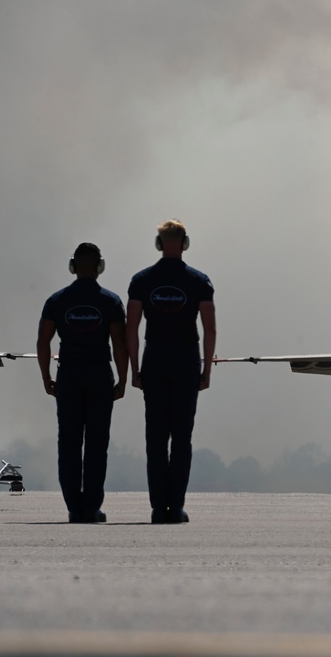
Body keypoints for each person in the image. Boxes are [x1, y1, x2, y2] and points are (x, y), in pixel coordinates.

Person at [126, 220, 216, 524]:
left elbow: (132, 328)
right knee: (181, 439)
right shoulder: (199, 282)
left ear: (158, 243)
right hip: (186, 362)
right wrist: (206, 369)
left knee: (155, 437)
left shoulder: (141, 281)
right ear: (185, 242)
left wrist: (134, 368)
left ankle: (157, 507)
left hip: (155, 361)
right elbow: (209, 327)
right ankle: (175, 506)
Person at [37, 242, 127, 523]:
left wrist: (46, 377)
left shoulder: (57, 300)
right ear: (100, 267)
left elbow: (43, 341)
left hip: (69, 376)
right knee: (97, 444)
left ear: (73, 266)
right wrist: (123, 379)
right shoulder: (111, 302)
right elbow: (119, 344)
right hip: (100, 376)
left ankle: (74, 507)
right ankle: (92, 507)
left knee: (69, 443)